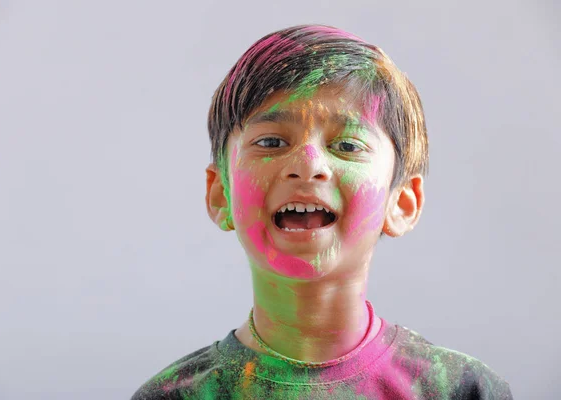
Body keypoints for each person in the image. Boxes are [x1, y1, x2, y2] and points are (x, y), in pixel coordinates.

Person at [131, 24, 513, 399]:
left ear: (401, 203)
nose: (307, 163)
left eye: (347, 145)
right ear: (220, 195)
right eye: (271, 141)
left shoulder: (463, 390)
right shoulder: (172, 396)